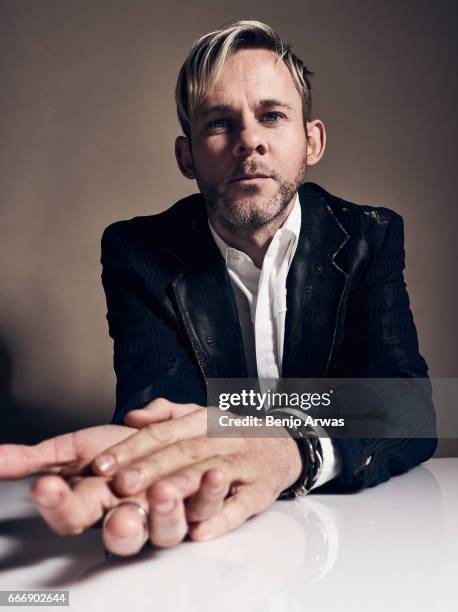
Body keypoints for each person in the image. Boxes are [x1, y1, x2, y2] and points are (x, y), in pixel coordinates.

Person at [0, 20, 437, 557]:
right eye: (219, 123)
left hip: (354, 539)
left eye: (272, 116)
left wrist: (287, 450)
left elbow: (410, 407)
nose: (249, 140)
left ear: (311, 141)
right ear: (187, 156)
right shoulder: (136, 251)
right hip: (209, 547)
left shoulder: (371, 235)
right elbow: (159, 405)